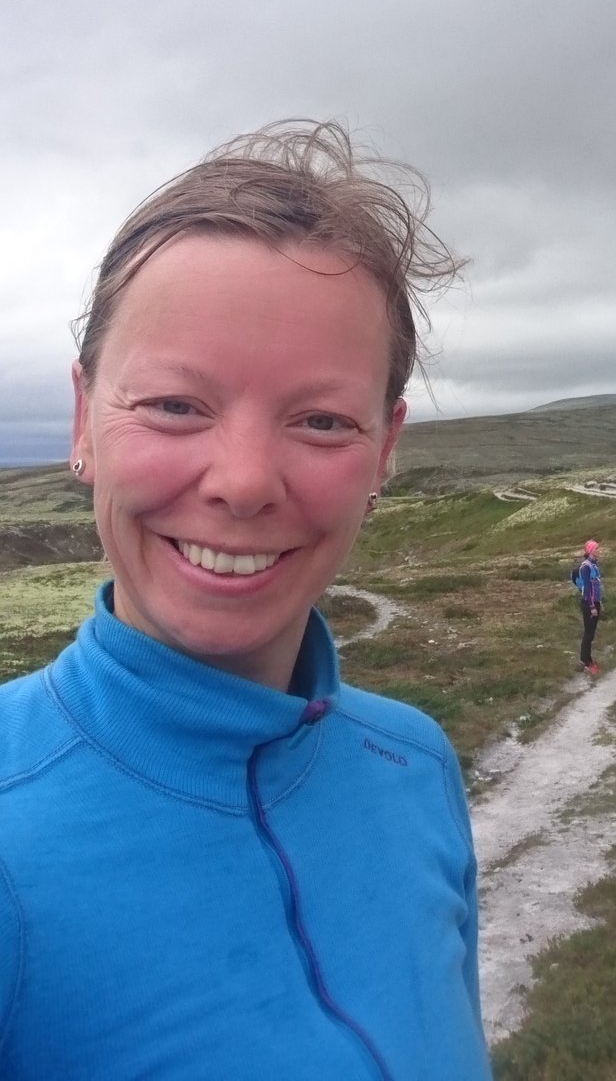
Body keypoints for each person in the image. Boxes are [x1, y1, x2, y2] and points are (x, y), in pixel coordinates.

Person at [0, 121, 492, 1081]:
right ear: (84, 418)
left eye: (322, 421)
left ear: (385, 450)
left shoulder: (413, 762)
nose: (243, 483)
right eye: (175, 405)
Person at [573, 538, 604, 675]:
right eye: (596, 548)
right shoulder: (586, 566)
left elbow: (595, 586)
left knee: (590, 633)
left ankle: (586, 660)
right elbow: (587, 588)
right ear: (591, 551)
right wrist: (592, 606)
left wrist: (599, 603)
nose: (599, 550)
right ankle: (586, 662)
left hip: (595, 602)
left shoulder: (593, 565)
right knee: (588, 633)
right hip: (589, 603)